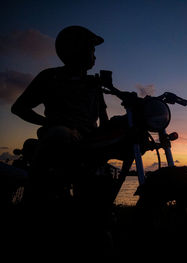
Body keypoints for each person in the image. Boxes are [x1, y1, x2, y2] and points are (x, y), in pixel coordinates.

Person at [11, 25, 115, 259]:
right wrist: (49, 124)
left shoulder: (94, 84)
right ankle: (34, 211)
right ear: (75, 49)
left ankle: (100, 223)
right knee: (58, 136)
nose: (95, 55)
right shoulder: (50, 77)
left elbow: (104, 121)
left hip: (88, 143)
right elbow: (19, 107)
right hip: (58, 140)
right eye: (91, 48)